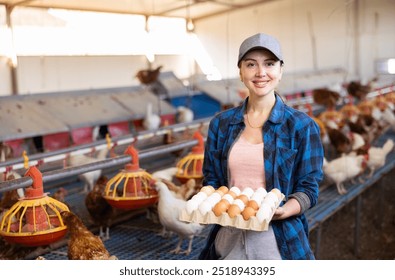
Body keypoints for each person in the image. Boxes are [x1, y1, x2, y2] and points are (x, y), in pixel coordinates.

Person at [198, 33, 324, 260]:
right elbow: (211, 180)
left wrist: (286, 209)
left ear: (280, 70)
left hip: (277, 243)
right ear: (240, 72)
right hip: (229, 240)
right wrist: (207, 202)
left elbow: (309, 188)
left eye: (269, 64)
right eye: (250, 64)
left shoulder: (301, 126)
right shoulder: (221, 124)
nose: (260, 73)